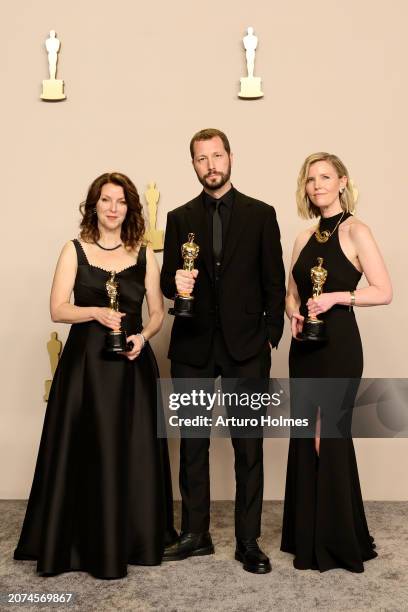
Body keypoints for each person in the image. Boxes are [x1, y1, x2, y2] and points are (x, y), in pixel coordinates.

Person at [14, 172, 177, 579]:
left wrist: (143, 335)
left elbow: (157, 312)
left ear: (130, 208)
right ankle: (79, 542)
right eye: (105, 200)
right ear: (94, 205)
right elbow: (57, 309)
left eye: (121, 201)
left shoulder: (144, 253)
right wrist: (95, 313)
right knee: (83, 449)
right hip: (85, 367)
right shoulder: (74, 250)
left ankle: (133, 540)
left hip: (132, 367)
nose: (113, 208)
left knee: (132, 451)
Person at [160, 128, 286, 574]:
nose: (210, 165)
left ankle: (248, 541)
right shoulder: (178, 217)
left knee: (248, 446)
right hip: (193, 346)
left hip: (247, 348)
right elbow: (165, 281)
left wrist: (271, 335)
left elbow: (274, 279)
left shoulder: (261, 214)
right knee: (192, 444)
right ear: (192, 165)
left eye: (217, 155)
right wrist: (174, 282)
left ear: (230, 157)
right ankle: (196, 535)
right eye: (201, 158)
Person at [281, 152, 392, 572]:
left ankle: (335, 541)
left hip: (339, 343)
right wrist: (293, 311)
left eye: (325, 177)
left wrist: (337, 297)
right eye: (310, 179)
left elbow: (383, 290)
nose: (317, 185)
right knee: (306, 434)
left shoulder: (356, 230)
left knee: (328, 435)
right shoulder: (303, 236)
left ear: (342, 182)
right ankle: (309, 535)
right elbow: (291, 291)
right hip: (304, 346)